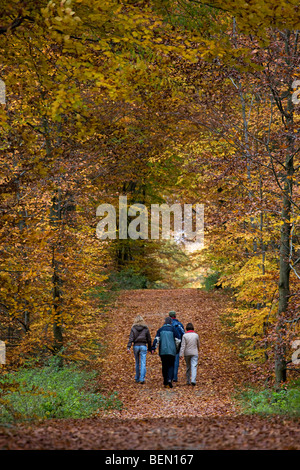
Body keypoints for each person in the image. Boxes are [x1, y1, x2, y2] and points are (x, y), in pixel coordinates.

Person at [152, 316, 181, 388]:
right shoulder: (173, 330)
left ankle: (165, 381)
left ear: (164, 322)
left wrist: (153, 348)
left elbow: (156, 340)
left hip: (163, 351)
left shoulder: (160, 330)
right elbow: (178, 340)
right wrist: (177, 349)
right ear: (171, 322)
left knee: (164, 366)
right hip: (172, 351)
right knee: (171, 365)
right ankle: (169, 379)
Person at [127, 315, 152, 384]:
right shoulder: (145, 328)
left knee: (137, 362)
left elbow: (131, 338)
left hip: (136, 346)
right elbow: (149, 339)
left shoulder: (133, 328)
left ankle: (137, 377)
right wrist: (150, 348)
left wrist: (128, 347)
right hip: (143, 346)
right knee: (143, 363)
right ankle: (142, 378)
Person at [168, 310, 185, 382]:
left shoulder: (167, 325)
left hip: (169, 344)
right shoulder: (179, 325)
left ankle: (170, 376)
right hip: (177, 344)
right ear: (175, 316)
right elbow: (183, 334)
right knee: (176, 361)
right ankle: (175, 376)